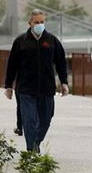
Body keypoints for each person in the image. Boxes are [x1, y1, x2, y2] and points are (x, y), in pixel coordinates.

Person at [4, 9, 68, 153]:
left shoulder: (51, 41)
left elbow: (61, 62)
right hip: (26, 89)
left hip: (47, 88)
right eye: (36, 22)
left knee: (46, 120)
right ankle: (31, 149)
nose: (40, 24)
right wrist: (8, 86)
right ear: (30, 23)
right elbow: (11, 64)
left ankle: (36, 142)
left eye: (42, 22)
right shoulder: (20, 41)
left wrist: (64, 82)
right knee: (29, 121)